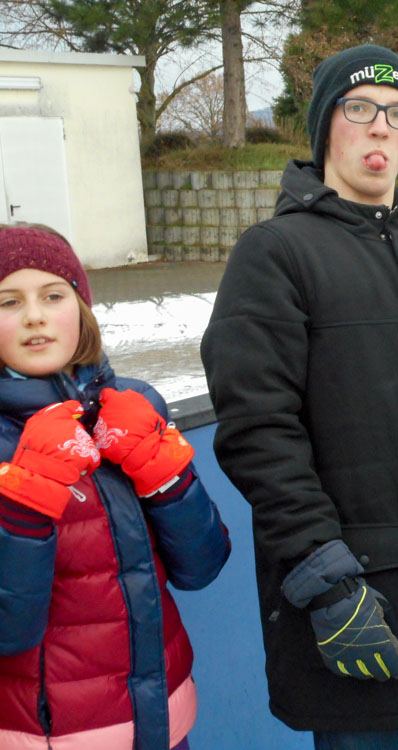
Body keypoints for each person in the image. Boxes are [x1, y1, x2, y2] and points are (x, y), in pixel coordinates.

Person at [200, 45, 398, 749]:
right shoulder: (274, 255)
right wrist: (328, 583)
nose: (380, 128)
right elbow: (258, 432)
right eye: (359, 109)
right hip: (354, 610)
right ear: (324, 126)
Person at [0, 225, 231, 750]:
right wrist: (26, 499)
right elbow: (8, 630)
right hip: (47, 735)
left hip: (163, 722)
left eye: (53, 295)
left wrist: (162, 475)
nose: (35, 315)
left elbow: (204, 565)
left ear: (80, 309)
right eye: (9, 301)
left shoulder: (130, 405)